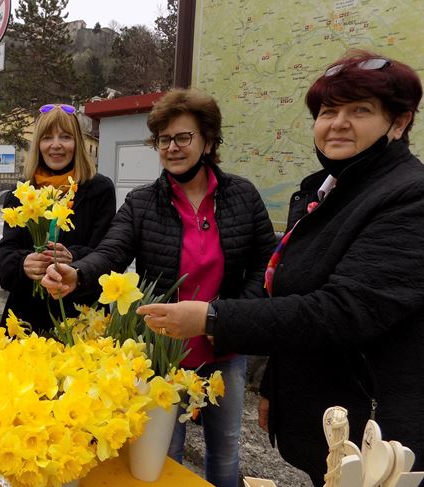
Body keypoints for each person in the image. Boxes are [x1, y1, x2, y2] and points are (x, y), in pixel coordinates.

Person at [125, 51, 424, 485]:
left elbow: (342, 309)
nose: (338, 123)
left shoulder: (408, 197)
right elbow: (285, 288)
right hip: (328, 425)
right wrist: (275, 384)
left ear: (398, 122)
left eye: (360, 110)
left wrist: (212, 317)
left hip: (376, 442)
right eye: (328, 111)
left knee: (223, 451)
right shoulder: (326, 191)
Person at [41, 89, 277, 486]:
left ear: (207, 140)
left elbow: (263, 264)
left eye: (182, 137)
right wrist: (77, 274)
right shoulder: (143, 202)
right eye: (163, 140)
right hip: (163, 354)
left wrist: (232, 313)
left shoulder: (242, 196)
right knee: (164, 454)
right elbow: (112, 252)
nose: (172, 147)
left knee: (226, 448)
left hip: (224, 345)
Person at [0, 103, 116, 333]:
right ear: (38, 144)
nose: (56, 145)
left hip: (81, 315)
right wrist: (24, 265)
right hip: (27, 318)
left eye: (65, 137)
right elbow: (4, 253)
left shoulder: (98, 189)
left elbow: (107, 253)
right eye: (47, 137)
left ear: (77, 143)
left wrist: (73, 259)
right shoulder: (22, 192)